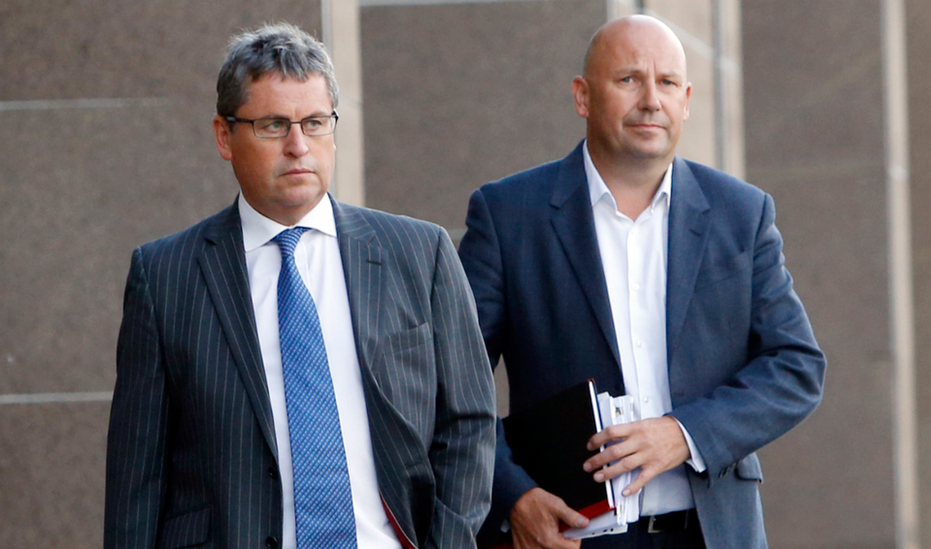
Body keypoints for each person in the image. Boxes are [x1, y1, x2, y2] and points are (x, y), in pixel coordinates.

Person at [104, 22, 495, 549]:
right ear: (225, 135)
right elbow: (137, 477)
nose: (297, 146)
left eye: (314, 123)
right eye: (272, 125)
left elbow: (468, 423)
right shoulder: (165, 275)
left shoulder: (418, 253)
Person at [458, 15, 825, 549]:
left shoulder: (740, 214)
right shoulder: (511, 215)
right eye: (629, 79)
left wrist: (685, 434)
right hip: (569, 535)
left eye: (668, 83)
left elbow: (796, 367)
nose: (651, 99)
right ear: (583, 96)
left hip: (712, 534)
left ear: (687, 99)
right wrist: (513, 497)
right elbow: (452, 384)